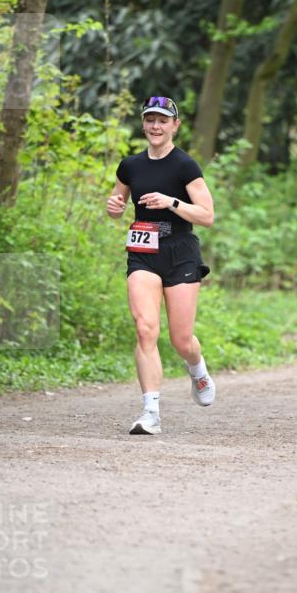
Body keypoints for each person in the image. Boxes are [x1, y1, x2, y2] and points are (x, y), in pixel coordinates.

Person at [106, 96, 216, 435]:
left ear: (174, 126)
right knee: (145, 328)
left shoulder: (185, 166)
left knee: (181, 339)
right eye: (150, 119)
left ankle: (197, 369)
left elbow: (207, 215)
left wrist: (171, 202)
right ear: (143, 124)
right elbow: (118, 199)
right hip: (143, 251)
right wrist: (113, 206)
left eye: (163, 120)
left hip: (180, 250)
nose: (156, 126)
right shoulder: (130, 165)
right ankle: (150, 411)